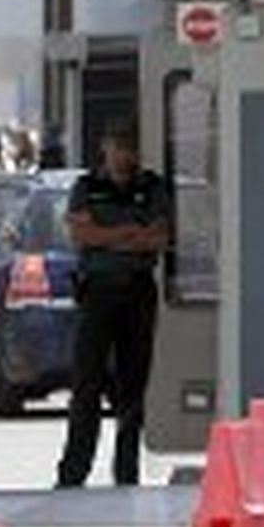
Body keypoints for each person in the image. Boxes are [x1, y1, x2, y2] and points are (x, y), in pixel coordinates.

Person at [56, 123, 171, 488]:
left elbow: (159, 237)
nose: (125, 154)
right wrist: (128, 235)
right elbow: (81, 234)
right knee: (86, 385)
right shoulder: (87, 187)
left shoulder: (151, 186)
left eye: (131, 147)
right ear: (104, 147)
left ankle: (126, 471)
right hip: (97, 293)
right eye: (118, 145)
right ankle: (74, 471)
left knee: (132, 386)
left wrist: (109, 238)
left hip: (137, 292)